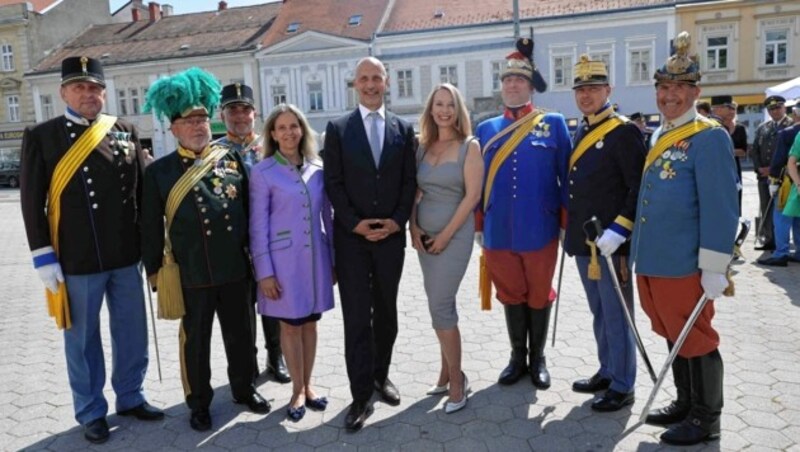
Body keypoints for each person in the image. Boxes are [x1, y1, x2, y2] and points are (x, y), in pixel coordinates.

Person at [19, 56, 163, 444]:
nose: (89, 94)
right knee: (82, 340)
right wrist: (43, 255)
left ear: (104, 92)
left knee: (131, 332)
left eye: (95, 87)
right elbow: (32, 201)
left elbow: (142, 193)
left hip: (125, 254)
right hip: (76, 258)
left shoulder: (124, 129)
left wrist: (152, 252)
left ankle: (131, 396)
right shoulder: (42, 135)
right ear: (64, 92)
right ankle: (90, 410)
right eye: (79, 87)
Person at [140, 67, 270, 432]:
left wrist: (257, 263)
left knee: (242, 335)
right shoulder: (160, 173)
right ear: (173, 128)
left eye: (202, 119)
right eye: (189, 121)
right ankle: (198, 402)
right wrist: (154, 272)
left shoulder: (229, 161)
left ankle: (244, 389)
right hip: (190, 273)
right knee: (195, 343)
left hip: (234, 269)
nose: (198, 126)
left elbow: (250, 214)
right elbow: (150, 227)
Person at [631, 32, 738, 446]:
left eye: (678, 88)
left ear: (695, 92)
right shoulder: (659, 135)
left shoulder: (709, 136)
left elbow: (721, 207)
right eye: (663, 88)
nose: (669, 95)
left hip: (684, 263)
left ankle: (707, 417)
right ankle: (684, 402)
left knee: (697, 336)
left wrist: (715, 266)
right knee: (674, 334)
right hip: (654, 259)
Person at [323, 57, 416, 431]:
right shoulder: (338, 128)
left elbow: (409, 181)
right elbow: (334, 183)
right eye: (364, 78)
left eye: (376, 77)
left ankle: (381, 375)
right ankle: (360, 395)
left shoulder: (403, 129)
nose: (371, 84)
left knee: (387, 314)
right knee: (358, 319)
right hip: (353, 242)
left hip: (391, 239)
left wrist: (397, 220)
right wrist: (355, 224)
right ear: (355, 84)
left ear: (387, 82)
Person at [475, 38, 571, 391]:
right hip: (499, 229)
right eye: (507, 81)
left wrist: (564, 223)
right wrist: (478, 225)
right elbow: (477, 182)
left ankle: (538, 358)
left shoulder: (554, 124)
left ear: (531, 87)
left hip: (540, 228)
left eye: (519, 80)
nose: (512, 85)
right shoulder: (485, 129)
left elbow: (566, 177)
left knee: (538, 293)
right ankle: (517, 357)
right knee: (510, 293)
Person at [566, 55, 645, 412]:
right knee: (599, 310)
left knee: (617, 313)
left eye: (593, 88)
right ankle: (608, 369)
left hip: (613, 242)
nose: (586, 95)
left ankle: (624, 384)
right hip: (587, 241)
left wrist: (620, 229)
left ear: (608, 90)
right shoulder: (582, 128)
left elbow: (637, 187)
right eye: (581, 89)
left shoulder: (624, 130)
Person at [249, 104, 335, 421]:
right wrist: (264, 272)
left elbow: (328, 215)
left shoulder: (317, 166)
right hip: (282, 263)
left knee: (311, 322)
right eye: (282, 127)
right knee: (290, 325)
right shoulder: (263, 171)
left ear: (302, 130)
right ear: (272, 134)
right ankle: (296, 390)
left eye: (294, 126)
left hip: (316, 260)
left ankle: (308, 385)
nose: (289, 132)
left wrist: (334, 260)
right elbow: (257, 225)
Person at [409, 83, 483, 414]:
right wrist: (413, 225)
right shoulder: (422, 147)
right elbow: (413, 190)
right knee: (437, 304)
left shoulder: (470, 146)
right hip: (424, 236)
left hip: (454, 236)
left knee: (441, 306)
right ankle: (444, 372)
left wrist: (445, 235)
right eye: (438, 104)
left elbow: (472, 197)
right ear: (430, 109)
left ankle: (457, 380)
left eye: (450, 104)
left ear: (458, 109)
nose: (444, 110)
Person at [215, 83, 291, 384]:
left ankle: (277, 357)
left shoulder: (269, 151)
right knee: (241, 312)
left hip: (271, 242)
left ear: (254, 113)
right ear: (223, 114)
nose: (239, 115)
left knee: (273, 303)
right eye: (232, 109)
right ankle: (247, 365)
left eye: (244, 109)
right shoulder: (215, 152)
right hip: (234, 245)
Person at [760, 100, 800, 266]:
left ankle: (780, 253)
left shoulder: (788, 132)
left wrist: (774, 180)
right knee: (798, 218)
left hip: (788, 181)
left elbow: (779, 160)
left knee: (781, 217)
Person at [750, 95, 793, 251]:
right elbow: (755, 149)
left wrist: (774, 169)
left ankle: (783, 244)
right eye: (771, 109)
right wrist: (759, 168)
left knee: (782, 211)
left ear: (784, 108)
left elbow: (792, 153)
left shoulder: (792, 125)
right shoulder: (764, 127)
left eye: (778, 107)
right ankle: (769, 240)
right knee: (766, 208)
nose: (775, 111)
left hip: (783, 177)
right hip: (764, 177)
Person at [711, 95, 747, 215]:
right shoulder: (710, 125)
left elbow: (744, 150)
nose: (732, 111)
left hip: (733, 168)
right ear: (719, 108)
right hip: (716, 171)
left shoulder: (735, 127)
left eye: (733, 109)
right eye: (729, 107)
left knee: (734, 201)